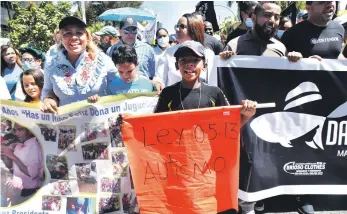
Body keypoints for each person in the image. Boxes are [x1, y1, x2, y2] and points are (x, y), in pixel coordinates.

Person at [41, 16, 116, 113]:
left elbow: (119, 87)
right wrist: (49, 99)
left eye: (79, 33)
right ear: (61, 38)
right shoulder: (51, 64)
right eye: (68, 33)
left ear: (87, 37)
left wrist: (104, 99)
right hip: (67, 125)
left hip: (100, 123)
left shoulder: (103, 61)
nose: (74, 38)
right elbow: (47, 90)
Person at [153, 13, 215, 90]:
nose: (177, 29)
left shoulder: (208, 54)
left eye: (182, 26)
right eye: (177, 26)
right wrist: (157, 84)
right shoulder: (169, 52)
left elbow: (213, 82)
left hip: (201, 101)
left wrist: (226, 58)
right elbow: (159, 79)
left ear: (194, 29)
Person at [88, 46, 155, 103]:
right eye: (121, 72)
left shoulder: (148, 84)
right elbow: (106, 106)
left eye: (129, 71)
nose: (125, 76)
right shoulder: (112, 86)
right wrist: (97, 100)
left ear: (137, 64)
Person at [1, 123, 43, 206]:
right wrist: (5, 154)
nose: (16, 133)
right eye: (16, 130)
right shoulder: (19, 145)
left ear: (30, 131)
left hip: (29, 194)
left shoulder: (35, 147)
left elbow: (31, 173)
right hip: (16, 191)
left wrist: (12, 156)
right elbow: (11, 166)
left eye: (20, 130)